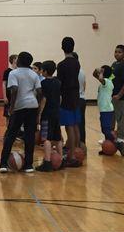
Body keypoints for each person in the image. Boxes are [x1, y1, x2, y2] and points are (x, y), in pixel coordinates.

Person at [0, 52, 42, 173]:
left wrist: (12, 106)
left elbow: (14, 90)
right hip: (32, 106)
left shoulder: (13, 73)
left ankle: (3, 163)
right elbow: (39, 91)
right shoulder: (34, 74)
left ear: (19, 61)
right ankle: (28, 165)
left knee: (10, 135)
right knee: (29, 136)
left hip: (19, 106)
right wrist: (37, 104)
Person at [57, 37, 81, 167]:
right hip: (76, 96)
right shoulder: (77, 63)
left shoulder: (61, 65)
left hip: (66, 97)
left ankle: (71, 156)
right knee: (75, 125)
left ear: (62, 47)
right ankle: (76, 152)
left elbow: (60, 83)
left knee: (69, 127)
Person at [36, 61, 64, 172]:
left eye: (42, 70)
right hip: (57, 112)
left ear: (45, 71)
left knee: (46, 138)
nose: (41, 72)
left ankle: (47, 162)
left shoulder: (44, 83)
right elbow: (60, 98)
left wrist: (39, 113)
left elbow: (44, 99)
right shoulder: (58, 82)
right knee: (57, 138)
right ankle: (61, 161)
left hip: (47, 113)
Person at [94, 65, 124, 156]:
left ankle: (118, 143)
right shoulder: (106, 82)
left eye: (102, 71)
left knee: (106, 130)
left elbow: (100, 78)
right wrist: (97, 70)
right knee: (105, 129)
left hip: (106, 110)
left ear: (104, 73)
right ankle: (106, 148)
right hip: (105, 110)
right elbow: (94, 75)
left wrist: (100, 72)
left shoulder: (107, 82)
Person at [111, 44, 124, 147]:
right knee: (112, 116)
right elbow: (111, 78)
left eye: (119, 52)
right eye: (116, 51)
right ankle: (110, 137)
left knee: (121, 117)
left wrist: (119, 94)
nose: (117, 54)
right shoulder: (114, 64)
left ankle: (120, 138)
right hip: (113, 96)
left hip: (121, 97)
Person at [73, 52, 87, 145]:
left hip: (76, 99)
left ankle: (76, 144)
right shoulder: (82, 71)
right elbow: (84, 85)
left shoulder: (74, 71)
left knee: (75, 124)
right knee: (81, 123)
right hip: (82, 98)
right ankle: (82, 143)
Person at [2, 54, 18, 126]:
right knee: (8, 115)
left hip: (17, 96)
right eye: (17, 58)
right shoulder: (7, 71)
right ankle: (8, 131)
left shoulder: (19, 71)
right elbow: (4, 84)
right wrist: (4, 96)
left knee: (17, 115)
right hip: (9, 96)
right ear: (13, 60)